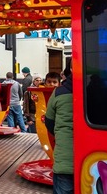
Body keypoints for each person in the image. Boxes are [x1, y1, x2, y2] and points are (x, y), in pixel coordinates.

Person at [45, 58, 73, 194]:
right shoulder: (98, 91)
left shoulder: (58, 93)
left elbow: (49, 122)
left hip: (65, 160)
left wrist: (60, 134)